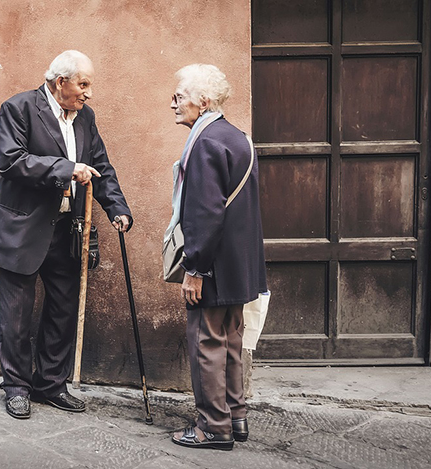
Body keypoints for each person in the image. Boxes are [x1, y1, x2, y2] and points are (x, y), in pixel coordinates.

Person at [0, 50, 133, 420]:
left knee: (63, 310)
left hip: (66, 230)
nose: (88, 93)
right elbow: (12, 161)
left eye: (89, 85)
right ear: (60, 81)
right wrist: (66, 168)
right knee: (15, 316)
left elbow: (100, 166)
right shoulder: (18, 108)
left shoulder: (86, 118)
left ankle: (50, 383)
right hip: (20, 229)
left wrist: (118, 208)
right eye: (83, 84)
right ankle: (17, 387)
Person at [166, 64, 267, 450]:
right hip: (238, 265)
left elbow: (206, 213)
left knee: (207, 342)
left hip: (213, 266)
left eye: (180, 96)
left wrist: (195, 269)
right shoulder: (238, 137)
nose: (173, 103)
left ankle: (213, 427)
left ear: (203, 101)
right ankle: (236, 417)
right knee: (231, 340)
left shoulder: (205, 141)